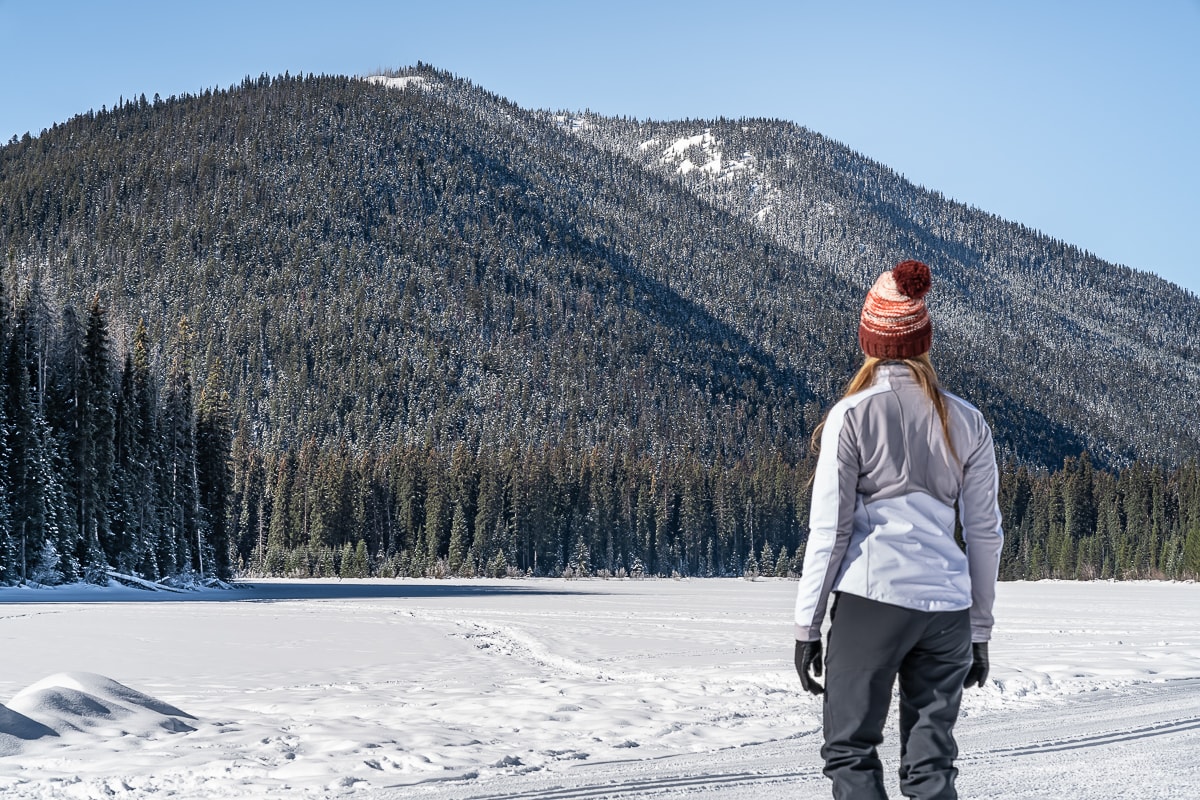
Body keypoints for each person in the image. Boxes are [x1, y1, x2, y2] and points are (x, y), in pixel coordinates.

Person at [793, 259, 1004, 800]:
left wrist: (807, 628)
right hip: (948, 609)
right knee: (933, 768)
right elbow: (984, 533)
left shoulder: (852, 414)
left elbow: (830, 532)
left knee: (851, 751)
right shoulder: (968, 421)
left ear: (870, 341)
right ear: (922, 341)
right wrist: (979, 629)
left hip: (873, 596)